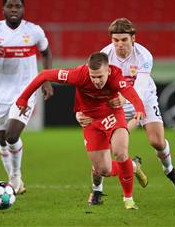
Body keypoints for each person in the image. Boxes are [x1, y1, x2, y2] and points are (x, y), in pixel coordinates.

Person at [76, 18, 175, 205]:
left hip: (142, 98)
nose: (119, 44)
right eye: (116, 40)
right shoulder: (105, 55)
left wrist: (126, 104)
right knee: (103, 150)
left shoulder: (144, 56)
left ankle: (168, 170)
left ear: (133, 38)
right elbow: (92, 84)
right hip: (113, 103)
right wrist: (81, 110)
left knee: (157, 141)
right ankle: (97, 190)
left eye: (124, 40)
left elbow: (140, 87)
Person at [16, 52, 146, 209]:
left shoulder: (116, 75)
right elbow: (44, 75)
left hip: (113, 115)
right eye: (93, 76)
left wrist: (139, 107)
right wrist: (23, 98)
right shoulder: (78, 75)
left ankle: (128, 200)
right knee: (102, 170)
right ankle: (132, 166)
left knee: (120, 152)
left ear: (108, 71)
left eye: (100, 77)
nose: (96, 81)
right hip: (90, 121)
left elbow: (130, 92)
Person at [0, 0, 54, 194]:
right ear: (3, 9)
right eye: (10, 6)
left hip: (26, 91)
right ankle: (14, 180)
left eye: (18, 6)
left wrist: (46, 80)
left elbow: (45, 52)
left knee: (11, 135)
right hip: (1, 93)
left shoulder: (34, 31)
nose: (14, 10)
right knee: (2, 139)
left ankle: (16, 177)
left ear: (23, 9)